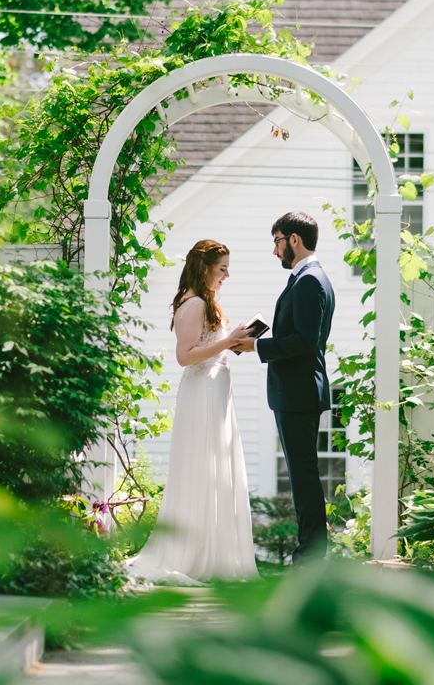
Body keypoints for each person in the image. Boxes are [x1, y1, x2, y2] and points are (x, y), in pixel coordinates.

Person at [125, 239, 259, 585]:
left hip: (213, 393)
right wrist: (228, 341)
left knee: (214, 469)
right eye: (222, 269)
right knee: (202, 468)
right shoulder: (196, 302)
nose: (227, 275)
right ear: (205, 269)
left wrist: (232, 341)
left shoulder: (202, 301)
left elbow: (205, 348)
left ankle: (214, 550)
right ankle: (197, 553)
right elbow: (185, 355)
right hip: (202, 394)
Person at [232, 211, 335, 565]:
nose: (274, 251)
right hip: (297, 391)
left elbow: (305, 340)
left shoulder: (309, 280)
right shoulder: (307, 278)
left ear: (294, 239)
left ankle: (311, 557)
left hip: (299, 392)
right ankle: (309, 553)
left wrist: (257, 347)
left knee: (303, 477)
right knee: (302, 475)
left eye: (277, 241)